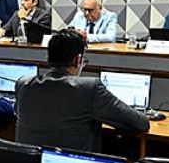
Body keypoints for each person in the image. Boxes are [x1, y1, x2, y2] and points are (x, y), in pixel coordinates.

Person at [15, 29, 149, 152]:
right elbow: (141, 123)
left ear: (48, 58)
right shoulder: (90, 89)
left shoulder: (23, 84)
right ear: (78, 60)